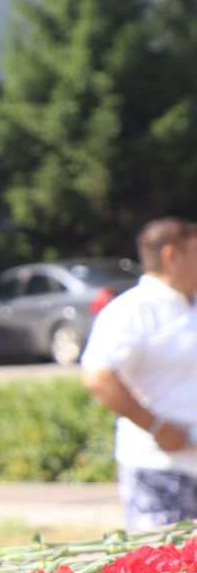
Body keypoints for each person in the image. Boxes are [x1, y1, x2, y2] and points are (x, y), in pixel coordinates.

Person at [82, 217, 197, 530]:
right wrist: (156, 426)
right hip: (159, 472)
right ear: (171, 256)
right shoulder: (131, 310)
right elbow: (98, 378)